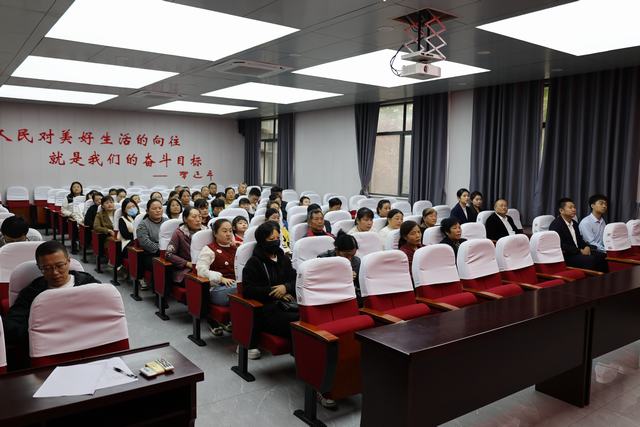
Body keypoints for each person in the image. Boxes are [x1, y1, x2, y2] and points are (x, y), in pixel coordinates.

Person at [5, 241, 99, 354]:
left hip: (89, 343)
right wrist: (40, 333)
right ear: (39, 267)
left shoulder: (89, 284)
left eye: (60, 266)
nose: (55, 273)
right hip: (49, 349)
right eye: (47, 268)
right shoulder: (32, 292)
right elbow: (12, 325)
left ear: (68, 261)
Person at [242, 221, 298, 340]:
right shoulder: (254, 262)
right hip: (267, 308)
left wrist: (286, 287)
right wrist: (274, 292)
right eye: (271, 239)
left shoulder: (284, 259)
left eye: (278, 238)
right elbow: (248, 290)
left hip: (288, 304)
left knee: (307, 317)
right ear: (262, 241)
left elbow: (295, 280)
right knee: (297, 322)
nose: (276, 241)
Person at [195, 218, 236, 335]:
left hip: (233, 286)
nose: (228, 234)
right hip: (216, 289)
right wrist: (220, 278)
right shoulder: (209, 249)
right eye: (224, 231)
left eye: (230, 231)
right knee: (242, 290)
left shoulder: (236, 248)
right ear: (215, 233)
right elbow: (201, 270)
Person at [549, 198, 608, 272]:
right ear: (561, 210)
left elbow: (579, 239)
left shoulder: (574, 223)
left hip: (578, 252)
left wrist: (586, 247)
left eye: (574, 207)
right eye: (570, 207)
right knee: (591, 260)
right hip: (567, 255)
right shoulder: (556, 225)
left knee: (603, 256)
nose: (574, 209)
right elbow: (561, 245)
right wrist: (580, 251)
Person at [318, 230, 362, 303]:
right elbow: (321, 284)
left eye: (352, 255)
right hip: (329, 296)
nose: (349, 259)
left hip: (349, 295)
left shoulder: (356, 261)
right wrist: (341, 277)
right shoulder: (323, 260)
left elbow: (359, 286)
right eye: (346, 256)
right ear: (337, 250)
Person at [166, 206, 206, 284]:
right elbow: (169, 254)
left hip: (206, 267)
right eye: (194, 217)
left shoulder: (206, 231)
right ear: (185, 219)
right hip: (187, 270)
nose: (198, 220)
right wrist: (186, 263)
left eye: (200, 217)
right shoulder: (179, 233)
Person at [137, 199, 167, 289]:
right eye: (154, 209)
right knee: (160, 264)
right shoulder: (143, 224)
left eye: (160, 208)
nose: (158, 210)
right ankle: (158, 291)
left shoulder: (167, 222)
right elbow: (145, 243)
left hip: (168, 252)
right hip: (151, 254)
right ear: (147, 211)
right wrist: (161, 250)